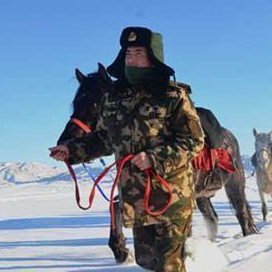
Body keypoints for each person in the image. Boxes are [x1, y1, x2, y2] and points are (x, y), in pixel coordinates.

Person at [49, 27, 205, 272]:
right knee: (147, 262)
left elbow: (193, 141)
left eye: (138, 52)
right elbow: (104, 139)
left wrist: (155, 158)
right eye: (128, 52)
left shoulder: (173, 97)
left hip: (170, 198)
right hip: (136, 200)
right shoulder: (114, 99)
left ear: (153, 57)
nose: (131, 58)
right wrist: (72, 150)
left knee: (168, 266)